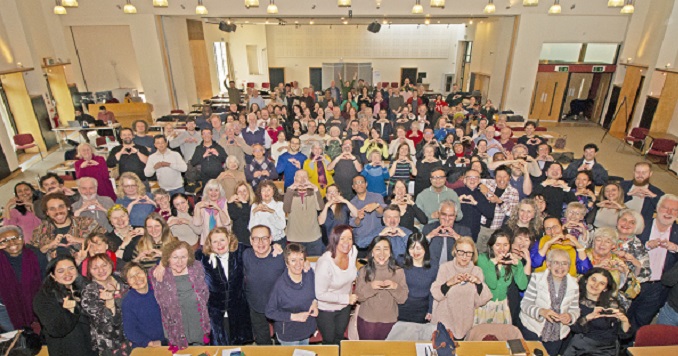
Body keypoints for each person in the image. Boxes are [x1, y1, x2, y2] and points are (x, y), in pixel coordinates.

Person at [627, 194, 678, 330]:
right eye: (665, 208)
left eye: (674, 210)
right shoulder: (642, 225)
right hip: (634, 280)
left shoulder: (677, 233)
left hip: (658, 287)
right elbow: (625, 245)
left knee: (641, 323)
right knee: (623, 316)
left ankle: (629, 349)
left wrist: (676, 249)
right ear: (657, 208)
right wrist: (646, 245)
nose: (669, 213)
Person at [195, 227, 253, 345]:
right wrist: (162, 264)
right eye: (215, 241)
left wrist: (275, 247)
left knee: (237, 347)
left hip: (237, 310)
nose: (219, 244)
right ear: (210, 244)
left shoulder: (240, 251)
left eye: (222, 240)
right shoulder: (201, 256)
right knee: (218, 346)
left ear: (229, 240)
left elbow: (261, 249)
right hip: (214, 313)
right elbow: (179, 257)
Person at [150, 240, 210, 350]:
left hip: (196, 320)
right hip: (175, 323)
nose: (179, 261)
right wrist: (161, 264)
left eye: (183, 257)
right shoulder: (158, 274)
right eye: (175, 257)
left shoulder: (196, 268)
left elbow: (204, 294)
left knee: (199, 350)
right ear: (168, 258)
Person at [33, 255, 97, 356]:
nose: (67, 273)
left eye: (71, 268)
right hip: (67, 350)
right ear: (52, 275)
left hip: (91, 347)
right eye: (61, 271)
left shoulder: (86, 287)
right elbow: (56, 330)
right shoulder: (44, 297)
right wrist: (70, 312)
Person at [520, 249, 581, 356]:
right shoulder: (537, 279)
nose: (560, 267)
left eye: (564, 263)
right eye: (556, 263)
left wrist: (570, 316)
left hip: (557, 335)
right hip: (532, 330)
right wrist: (541, 311)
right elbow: (525, 304)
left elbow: (575, 309)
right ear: (548, 264)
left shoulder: (574, 285)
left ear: (569, 266)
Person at [430, 236, 492, 339]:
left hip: (465, 323)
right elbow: (436, 294)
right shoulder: (445, 267)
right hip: (444, 321)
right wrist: (450, 282)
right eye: (461, 252)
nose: (464, 256)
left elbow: (480, 301)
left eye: (468, 253)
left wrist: (478, 283)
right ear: (455, 251)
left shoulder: (477, 271)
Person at [563, 268, 633, 356]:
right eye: (593, 280)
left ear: (605, 288)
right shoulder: (574, 301)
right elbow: (574, 328)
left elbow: (625, 336)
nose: (595, 285)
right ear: (586, 280)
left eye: (602, 283)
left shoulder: (611, 304)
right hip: (581, 348)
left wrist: (624, 321)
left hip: (607, 349)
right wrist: (588, 317)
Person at [355, 236, 409, 340]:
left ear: (390, 253)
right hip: (367, 320)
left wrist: (394, 287)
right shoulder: (364, 270)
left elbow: (403, 299)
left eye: (386, 249)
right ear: (372, 252)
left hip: (389, 321)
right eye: (378, 249)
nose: (382, 253)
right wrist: (371, 287)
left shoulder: (398, 271)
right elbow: (358, 296)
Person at [266, 243, 318, 345]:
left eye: (301, 259)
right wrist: (293, 316)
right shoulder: (280, 285)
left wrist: (315, 303)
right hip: (289, 334)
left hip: (306, 329)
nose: (298, 264)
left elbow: (316, 292)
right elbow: (270, 312)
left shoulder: (309, 273)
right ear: (286, 263)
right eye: (293, 260)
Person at [81, 253, 133, 355]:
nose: (101, 270)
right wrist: (109, 303)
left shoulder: (122, 279)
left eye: (104, 265)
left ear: (111, 264)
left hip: (132, 336)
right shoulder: (89, 292)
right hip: (110, 344)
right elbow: (104, 323)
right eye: (95, 268)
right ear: (89, 271)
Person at [314, 225, 358, 345]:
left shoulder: (353, 252)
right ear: (334, 239)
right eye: (342, 238)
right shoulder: (325, 264)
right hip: (327, 309)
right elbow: (320, 294)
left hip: (344, 307)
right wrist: (346, 298)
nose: (346, 242)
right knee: (329, 340)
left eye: (349, 238)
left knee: (339, 337)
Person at [243, 225, 286, 345]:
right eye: (256, 238)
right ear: (251, 240)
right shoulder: (245, 255)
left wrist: (306, 263)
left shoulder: (281, 256)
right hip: (255, 305)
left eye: (264, 238)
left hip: (279, 306)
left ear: (271, 239)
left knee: (282, 341)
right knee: (262, 343)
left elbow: (299, 260)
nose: (260, 242)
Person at [475, 230, 529, 325]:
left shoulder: (512, 261)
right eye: (498, 245)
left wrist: (519, 266)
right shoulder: (482, 259)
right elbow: (492, 284)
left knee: (500, 337)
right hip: (484, 304)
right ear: (491, 245)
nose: (502, 248)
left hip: (502, 305)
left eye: (505, 245)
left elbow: (522, 286)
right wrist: (493, 263)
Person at [31, 192, 106, 258]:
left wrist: (80, 240)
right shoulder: (41, 230)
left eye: (61, 207)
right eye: (52, 209)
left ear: (68, 208)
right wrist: (49, 246)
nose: (58, 211)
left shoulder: (86, 222)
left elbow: (107, 241)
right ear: (47, 212)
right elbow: (32, 255)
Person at [0, 226, 46, 332]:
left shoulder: (36, 256)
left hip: (35, 308)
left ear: (22, 238)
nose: (12, 243)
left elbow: (46, 282)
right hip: (5, 310)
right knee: (15, 341)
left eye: (16, 238)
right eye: (5, 240)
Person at [121, 262, 165, 349]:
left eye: (138, 273)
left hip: (167, 341)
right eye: (131, 277)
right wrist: (149, 343)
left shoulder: (159, 289)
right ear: (127, 282)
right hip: (145, 345)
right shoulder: (128, 302)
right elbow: (130, 331)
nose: (137, 278)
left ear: (145, 273)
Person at [397, 233, 438, 324]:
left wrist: (430, 310)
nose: (415, 252)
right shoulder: (400, 262)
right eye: (412, 248)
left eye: (419, 248)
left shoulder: (433, 266)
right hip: (401, 307)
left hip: (422, 309)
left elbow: (433, 290)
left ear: (425, 248)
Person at [284, 170, 325, 256]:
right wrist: (290, 188)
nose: (302, 179)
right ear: (294, 178)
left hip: (314, 237)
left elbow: (320, 207)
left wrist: (316, 189)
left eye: (305, 177)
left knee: (315, 264)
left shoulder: (313, 192)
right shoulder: (289, 192)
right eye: (299, 176)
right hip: (295, 237)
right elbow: (286, 209)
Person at [455, 169, 496, 241]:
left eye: (475, 178)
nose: (472, 180)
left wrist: (476, 203)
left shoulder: (482, 195)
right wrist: (457, 201)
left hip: (474, 232)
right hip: (457, 231)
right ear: (464, 180)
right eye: (469, 177)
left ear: (479, 181)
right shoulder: (456, 192)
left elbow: (490, 215)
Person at [349, 175, 387, 252]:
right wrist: (358, 218)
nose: (359, 184)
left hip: (376, 239)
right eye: (356, 183)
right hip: (360, 241)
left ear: (366, 184)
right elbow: (353, 223)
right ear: (353, 187)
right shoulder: (352, 203)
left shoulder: (377, 197)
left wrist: (376, 206)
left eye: (361, 182)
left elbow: (384, 213)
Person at [193, 180, 231, 245]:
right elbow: (197, 223)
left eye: (216, 190)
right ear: (207, 192)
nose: (213, 193)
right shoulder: (201, 204)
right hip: (207, 241)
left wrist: (218, 208)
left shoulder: (224, 203)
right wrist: (197, 208)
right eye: (211, 190)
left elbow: (226, 222)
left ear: (220, 192)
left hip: (222, 240)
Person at [249, 180, 287, 245]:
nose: (266, 193)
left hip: (277, 240)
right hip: (262, 242)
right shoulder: (255, 205)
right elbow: (251, 228)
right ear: (260, 193)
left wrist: (272, 212)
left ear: (273, 191)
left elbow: (282, 226)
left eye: (268, 190)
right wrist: (254, 213)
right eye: (263, 190)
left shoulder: (279, 205)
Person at [227, 182, 254, 246]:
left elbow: (247, 217)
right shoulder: (235, 205)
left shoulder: (254, 204)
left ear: (249, 191)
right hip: (237, 239)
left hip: (250, 239)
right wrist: (230, 203)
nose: (242, 194)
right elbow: (234, 216)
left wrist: (244, 203)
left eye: (244, 191)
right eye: (239, 192)